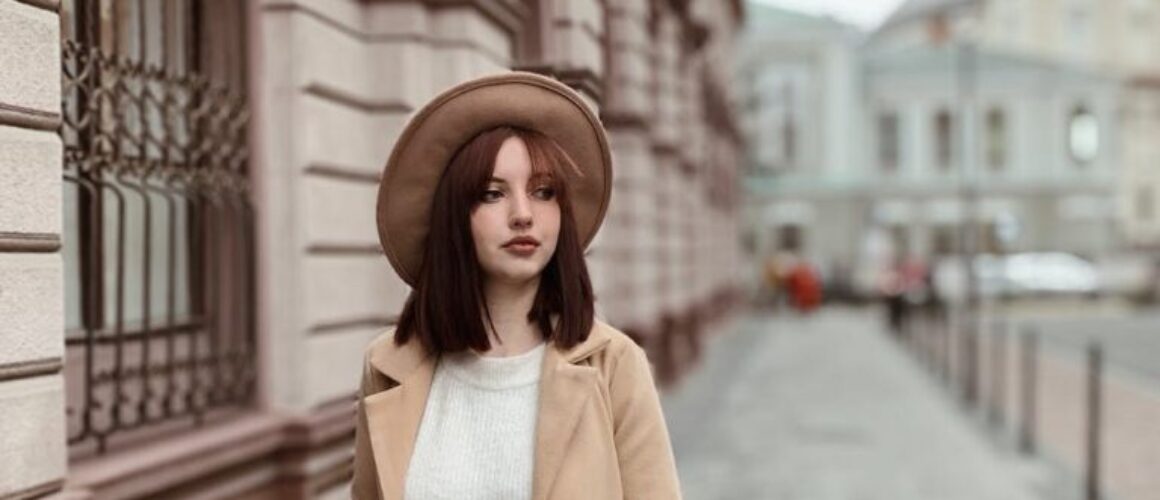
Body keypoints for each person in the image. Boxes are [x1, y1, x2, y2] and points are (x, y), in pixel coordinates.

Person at [350, 72, 682, 500]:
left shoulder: (614, 365)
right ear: (456, 217)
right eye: (492, 194)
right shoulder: (388, 367)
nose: (523, 214)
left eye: (544, 192)